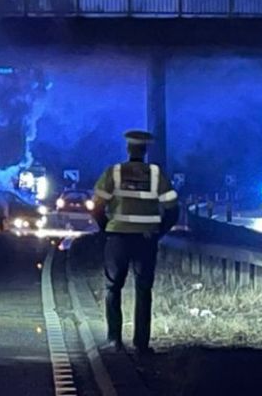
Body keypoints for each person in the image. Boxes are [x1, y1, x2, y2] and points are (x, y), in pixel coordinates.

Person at [91, 130, 179, 355]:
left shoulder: (115, 172)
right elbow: (172, 209)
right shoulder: (157, 175)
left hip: (118, 238)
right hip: (146, 240)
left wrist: (106, 229)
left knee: (113, 288)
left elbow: (98, 206)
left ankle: (114, 340)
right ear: (145, 151)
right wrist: (158, 232)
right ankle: (141, 344)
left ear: (128, 149)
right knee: (143, 289)